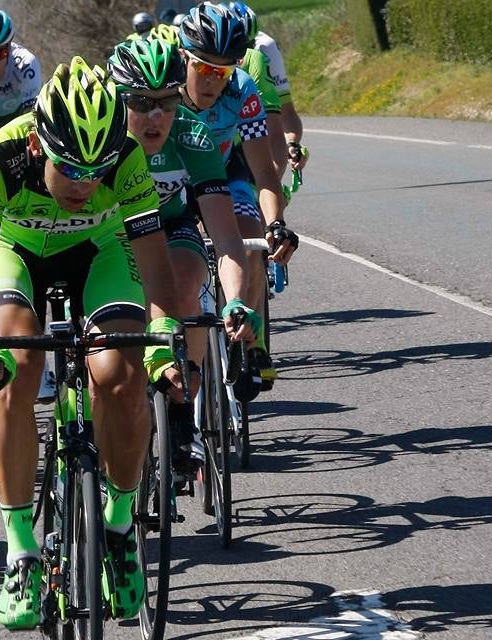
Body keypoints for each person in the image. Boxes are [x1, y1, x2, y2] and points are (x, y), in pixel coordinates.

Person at [0, 56, 253, 630]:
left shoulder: (127, 159)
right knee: (13, 367)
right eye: (70, 167)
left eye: (97, 169)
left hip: (102, 253)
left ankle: (118, 528)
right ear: (40, 147)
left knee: (121, 374)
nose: (85, 182)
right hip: (20, 254)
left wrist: (165, 348)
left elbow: (157, 271)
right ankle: (21, 551)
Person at [108, 37, 256, 466]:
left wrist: (239, 301)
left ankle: (178, 412)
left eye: (168, 101)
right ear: (118, 99)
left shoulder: (193, 135)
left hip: (170, 227)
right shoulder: (102, 138)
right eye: (141, 101)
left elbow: (226, 238)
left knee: (186, 282)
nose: (156, 116)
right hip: (108, 237)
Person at [176, 3, 299, 387]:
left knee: (252, 241)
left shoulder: (242, 89)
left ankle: (249, 343)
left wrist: (276, 224)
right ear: (183, 58)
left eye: (224, 70)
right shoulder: (162, 91)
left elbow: (263, 171)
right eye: (205, 68)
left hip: (226, 174)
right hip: (175, 182)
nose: (215, 80)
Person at [229, 1, 309, 179]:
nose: (245, 53)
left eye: (250, 43)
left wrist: (292, 144)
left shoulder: (265, 48)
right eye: (239, 46)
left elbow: (286, 113)